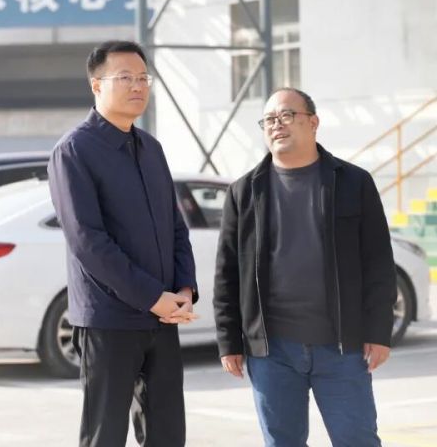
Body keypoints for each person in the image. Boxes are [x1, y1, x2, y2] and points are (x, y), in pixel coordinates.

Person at [214, 87, 396, 447]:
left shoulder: (353, 182)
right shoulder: (244, 191)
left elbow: (378, 261)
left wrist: (378, 331)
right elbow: (227, 273)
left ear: (313, 122)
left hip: (341, 347)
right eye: (269, 119)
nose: (276, 125)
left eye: (286, 115)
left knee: (357, 440)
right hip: (272, 351)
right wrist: (228, 341)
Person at [48, 40, 198, 447]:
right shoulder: (74, 151)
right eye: (125, 77)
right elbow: (87, 241)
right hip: (109, 320)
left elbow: (176, 227)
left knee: (168, 434)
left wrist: (184, 290)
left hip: (162, 318)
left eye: (143, 78)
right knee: (105, 435)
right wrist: (152, 297)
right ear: (96, 85)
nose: (138, 86)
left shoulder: (151, 149)